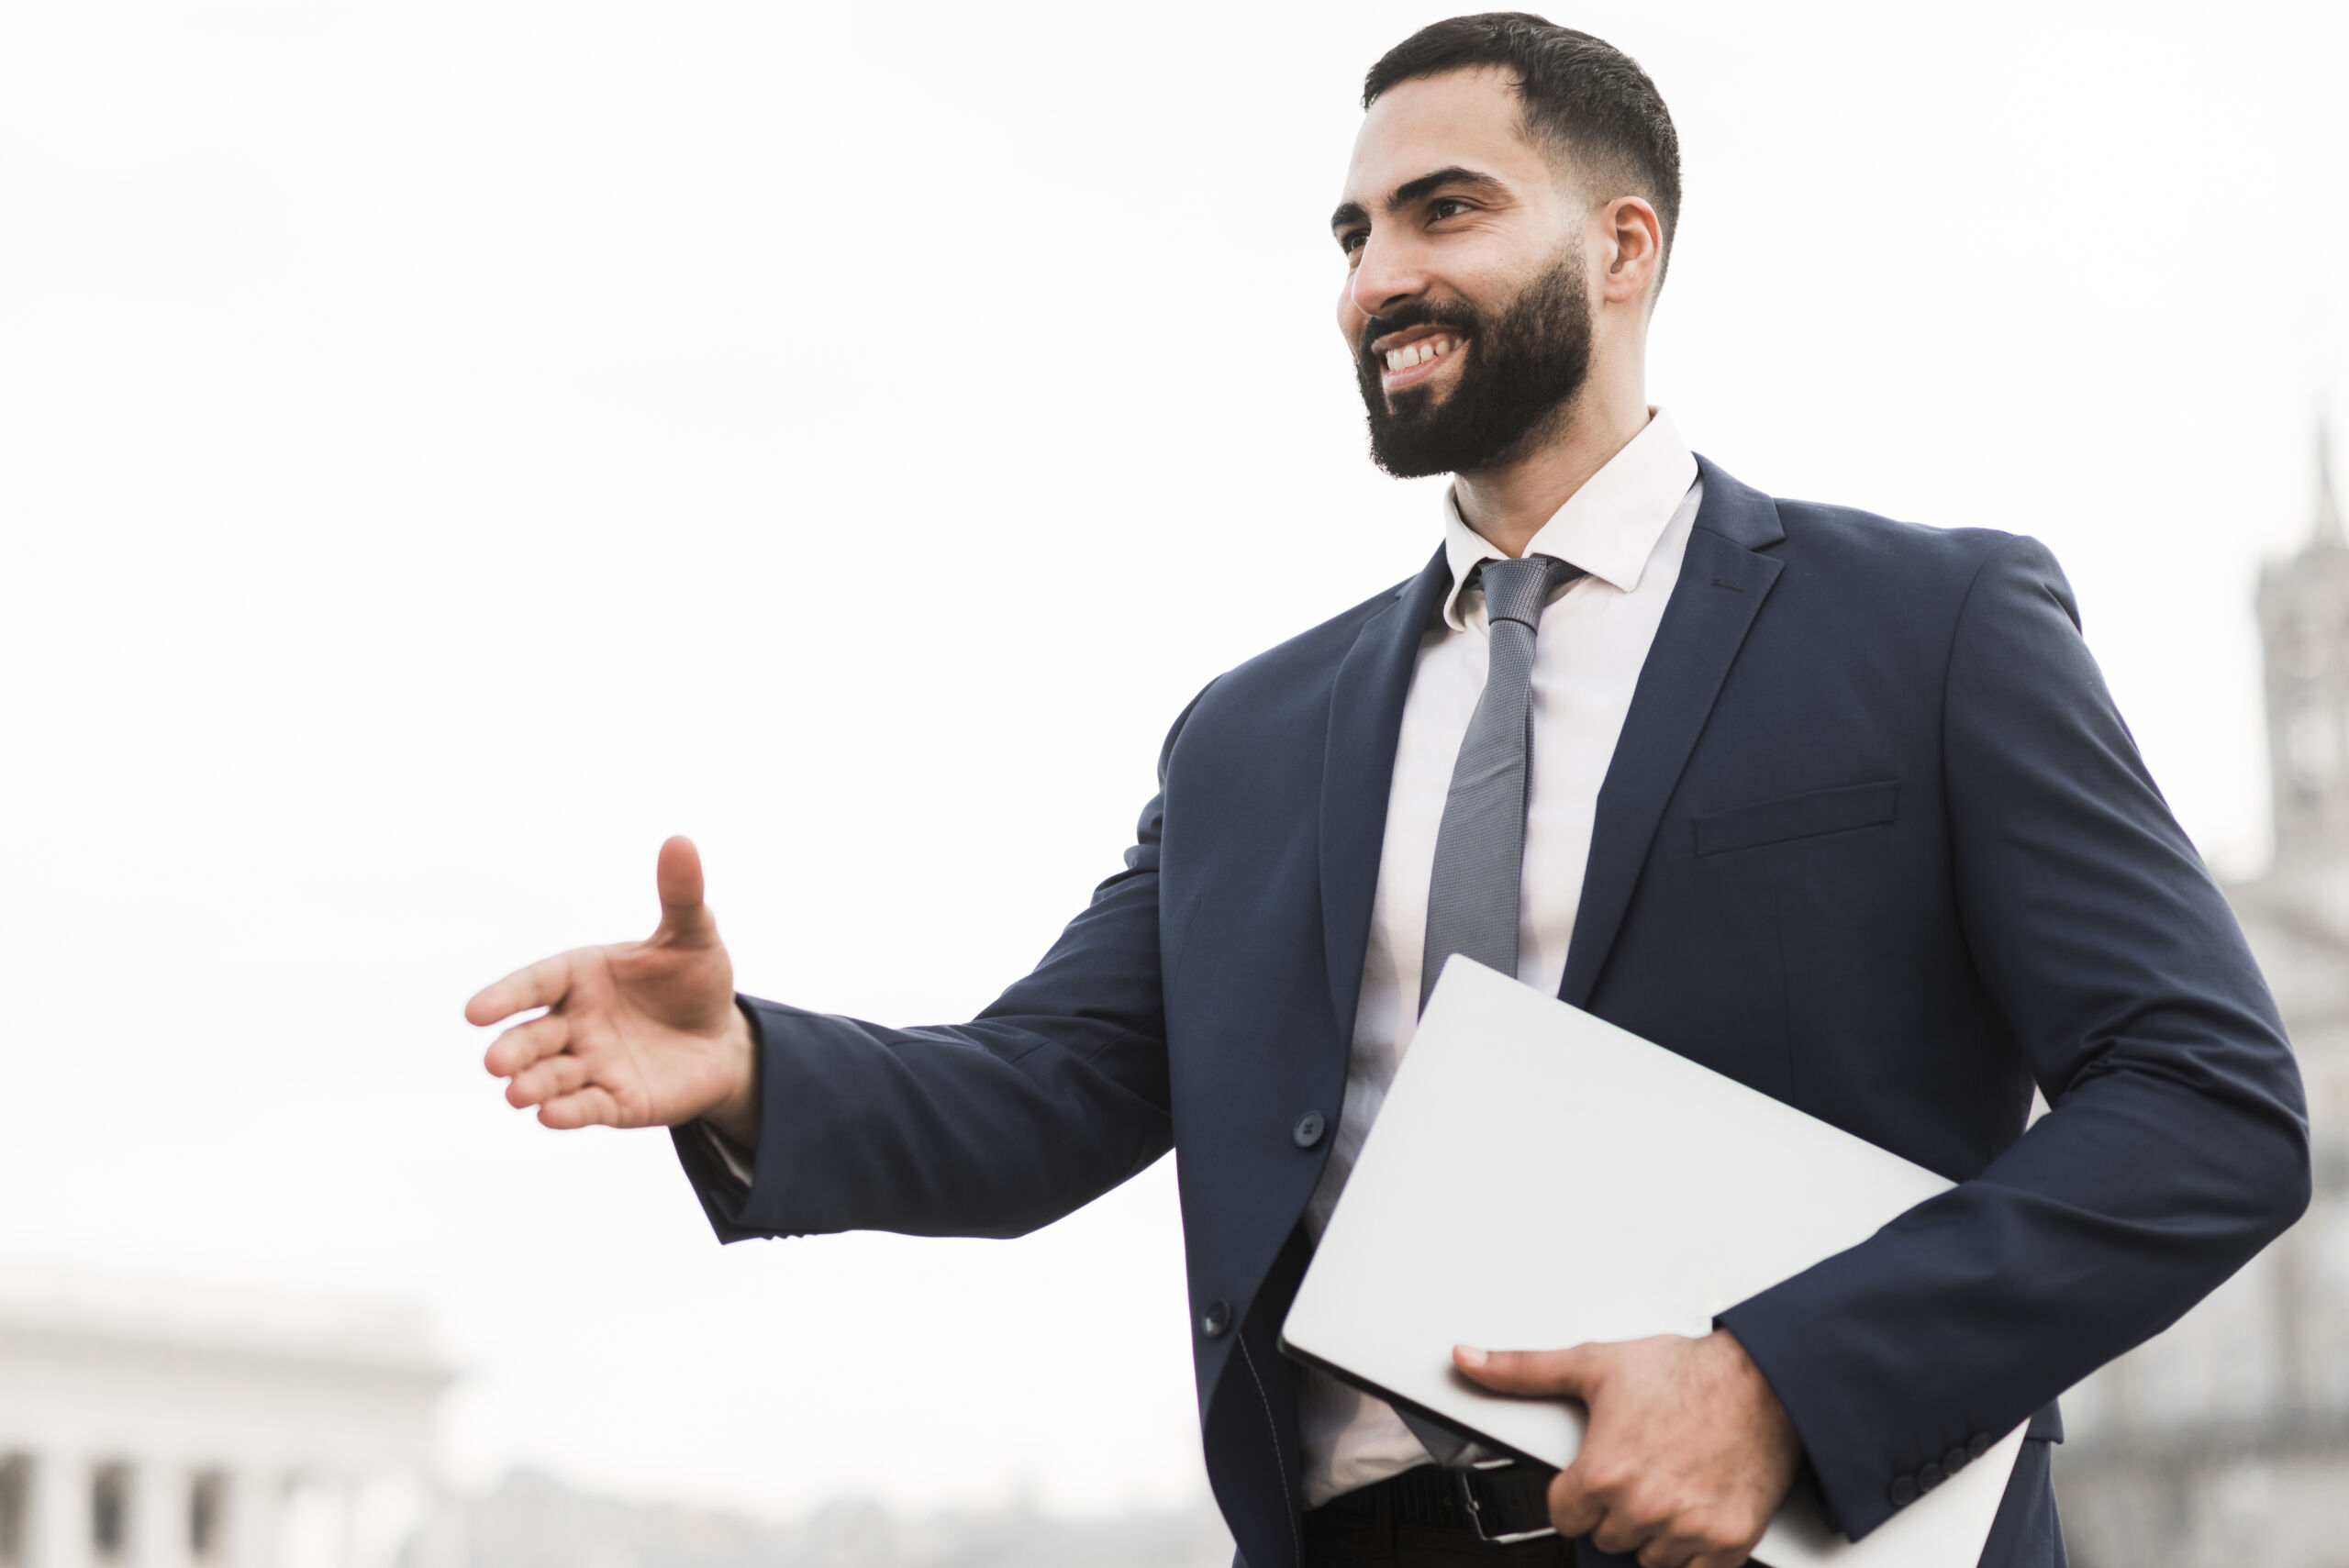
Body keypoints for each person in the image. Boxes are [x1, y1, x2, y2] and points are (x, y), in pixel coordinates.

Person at [466, 15, 2310, 1568]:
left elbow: (2211, 1107)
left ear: (1622, 246)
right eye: (1348, 232)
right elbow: (1051, 1094)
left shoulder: (1928, 628)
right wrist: (751, 1067)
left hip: (1800, 1523)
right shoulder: (1251, 736)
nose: (1376, 278)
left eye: (1444, 211)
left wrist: (1778, 1384)